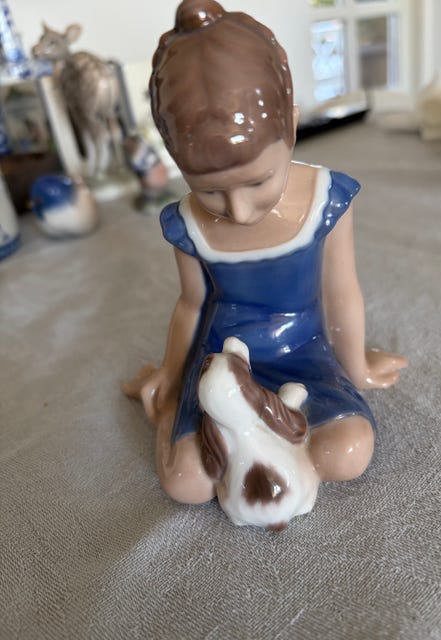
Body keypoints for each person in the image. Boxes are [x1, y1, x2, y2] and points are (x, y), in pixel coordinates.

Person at [123, 0, 408, 505]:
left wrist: (357, 366)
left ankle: (278, 437)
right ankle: (187, 419)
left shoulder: (326, 200)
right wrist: (170, 374)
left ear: (291, 128)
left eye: (258, 181)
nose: (238, 210)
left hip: (303, 350)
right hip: (219, 363)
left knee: (347, 452)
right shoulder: (187, 225)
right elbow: (191, 304)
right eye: (210, 190)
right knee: (187, 482)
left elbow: (341, 292)